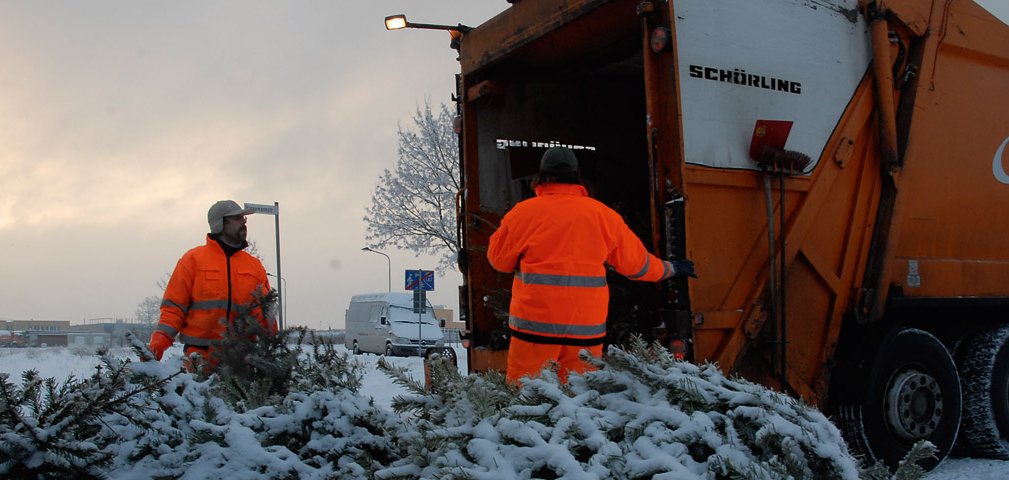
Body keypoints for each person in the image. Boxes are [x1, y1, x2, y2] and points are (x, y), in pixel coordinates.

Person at [487, 147, 696, 384]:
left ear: (541, 177)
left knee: (526, 395)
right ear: (577, 177)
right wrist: (672, 269)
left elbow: (498, 260)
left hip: (533, 330)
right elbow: (637, 265)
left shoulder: (523, 213)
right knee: (579, 396)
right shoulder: (603, 216)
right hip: (585, 330)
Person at [148, 200, 275, 364]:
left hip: (243, 360)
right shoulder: (193, 260)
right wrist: (156, 347)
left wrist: (273, 347)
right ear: (220, 223)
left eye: (244, 218)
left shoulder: (254, 266)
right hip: (199, 357)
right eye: (237, 218)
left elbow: (264, 313)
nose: (243, 222)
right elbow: (174, 310)